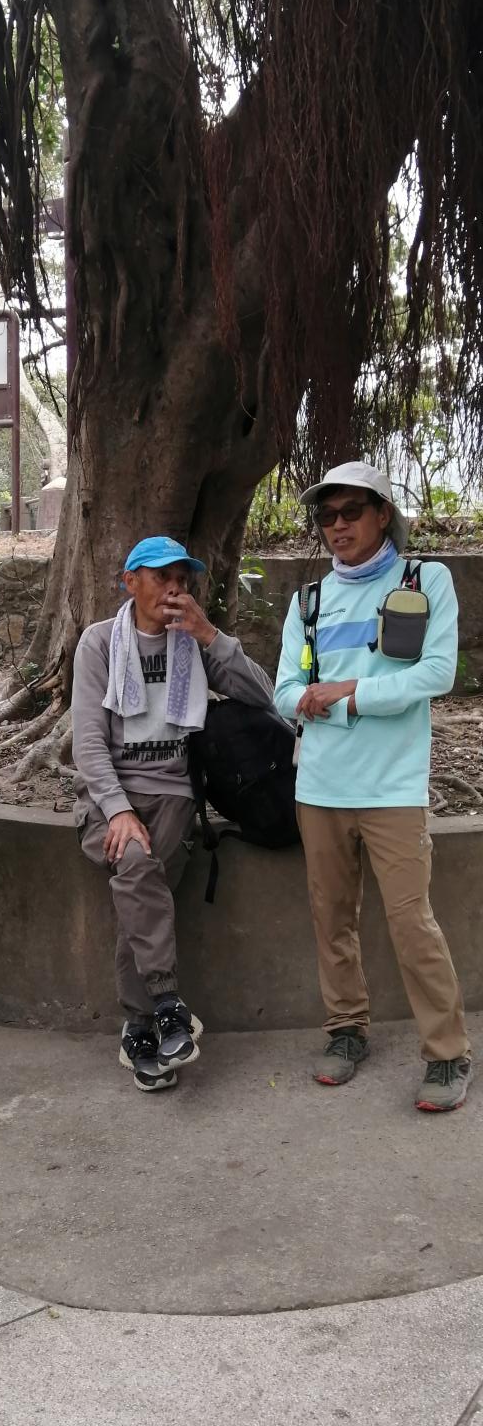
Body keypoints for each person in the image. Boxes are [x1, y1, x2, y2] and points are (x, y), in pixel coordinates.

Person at [275, 460, 471, 1111]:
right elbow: (284, 693)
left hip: (393, 789)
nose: (337, 526)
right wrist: (331, 701)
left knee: (412, 923)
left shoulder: (425, 580)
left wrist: (348, 693)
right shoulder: (308, 602)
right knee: (332, 919)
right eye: (326, 515)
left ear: (382, 514)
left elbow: (436, 674)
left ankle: (447, 1053)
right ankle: (346, 1030)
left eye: (351, 511)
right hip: (320, 787)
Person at [71, 534, 275, 1093]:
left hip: (175, 794)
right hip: (107, 795)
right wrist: (117, 810)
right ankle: (166, 1004)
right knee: (137, 864)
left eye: (183, 578)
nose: (174, 588)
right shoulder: (99, 643)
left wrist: (210, 637)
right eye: (161, 576)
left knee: (138, 880)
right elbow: (87, 742)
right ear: (130, 582)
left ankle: (140, 1029)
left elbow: (265, 696)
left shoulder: (196, 643)